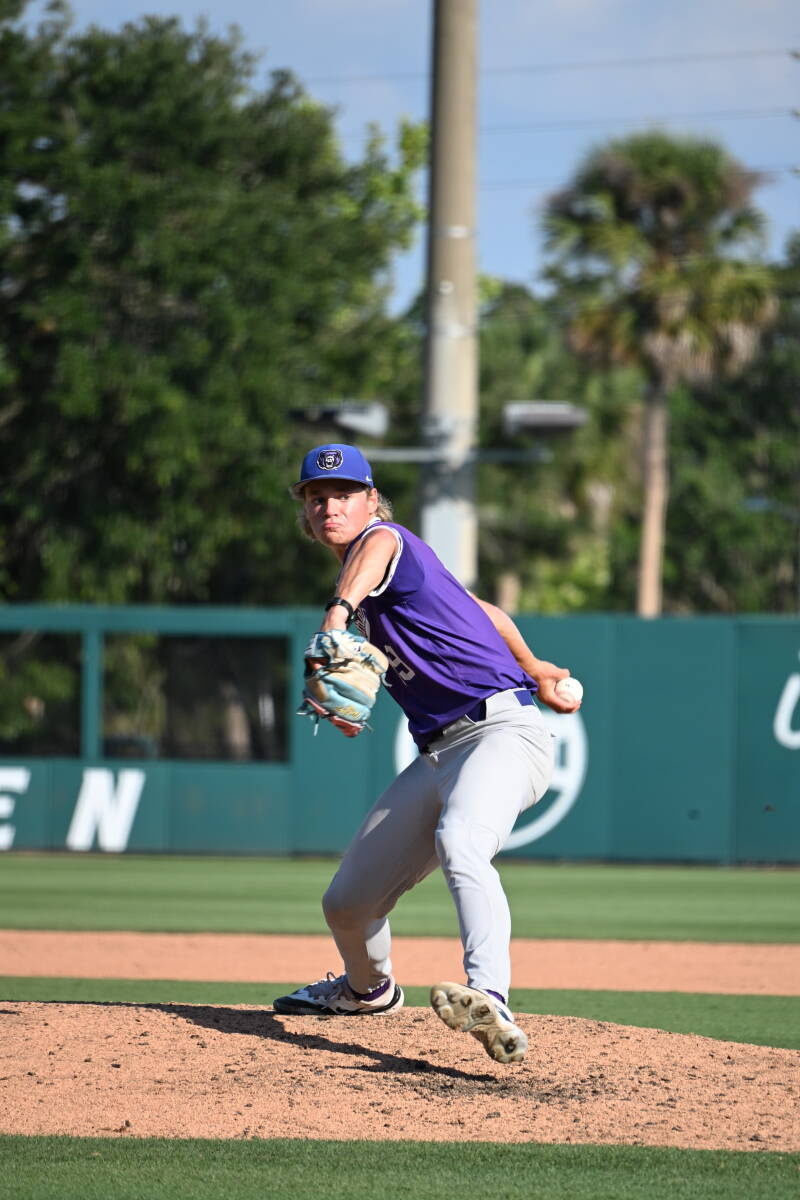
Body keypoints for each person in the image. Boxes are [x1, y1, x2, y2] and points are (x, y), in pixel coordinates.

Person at [274, 443, 581, 1064]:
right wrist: (536, 665)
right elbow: (481, 611)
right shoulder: (383, 585)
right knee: (347, 904)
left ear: (372, 501)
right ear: (305, 512)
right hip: (438, 753)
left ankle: (490, 995)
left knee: (461, 841)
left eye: (344, 494)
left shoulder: (388, 544)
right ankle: (367, 990)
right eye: (317, 498)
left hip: (502, 733)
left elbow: (378, 547)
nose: (330, 506)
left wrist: (337, 613)